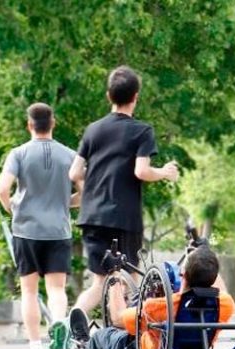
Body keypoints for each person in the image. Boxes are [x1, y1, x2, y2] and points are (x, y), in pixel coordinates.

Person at [68, 65, 179, 320]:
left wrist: (95, 184)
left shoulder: (92, 130)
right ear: (136, 96)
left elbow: (74, 173)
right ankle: (121, 337)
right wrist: (164, 172)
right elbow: (141, 171)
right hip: (124, 219)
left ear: (109, 95)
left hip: (92, 216)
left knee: (100, 282)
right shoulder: (142, 131)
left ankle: (71, 318)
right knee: (124, 280)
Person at [0, 102, 82, 349]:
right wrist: (64, 203)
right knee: (56, 288)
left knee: (30, 292)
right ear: (53, 123)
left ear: (29, 125)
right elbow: (87, 190)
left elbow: (2, 189)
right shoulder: (69, 155)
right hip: (58, 229)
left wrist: (15, 211)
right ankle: (58, 323)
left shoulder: (18, 154)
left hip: (26, 231)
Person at [66, 246, 233, 349]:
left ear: (183, 276)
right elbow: (221, 290)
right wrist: (205, 254)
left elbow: (117, 318)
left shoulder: (160, 307)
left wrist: (114, 274)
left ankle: (85, 345)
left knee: (103, 336)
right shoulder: (225, 305)